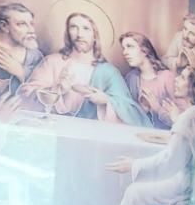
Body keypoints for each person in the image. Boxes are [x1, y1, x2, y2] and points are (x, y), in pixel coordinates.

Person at [20, 11, 148, 125]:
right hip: (52, 130)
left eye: (86, 28)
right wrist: (58, 89)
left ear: (94, 36)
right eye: (74, 27)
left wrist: (106, 101)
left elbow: (132, 112)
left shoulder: (108, 72)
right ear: (68, 33)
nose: (80, 34)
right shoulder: (52, 62)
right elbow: (25, 97)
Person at [117, 31, 177, 128]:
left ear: (145, 51)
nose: (125, 52)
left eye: (130, 46)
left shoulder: (167, 77)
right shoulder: (131, 78)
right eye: (124, 48)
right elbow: (128, 114)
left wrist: (156, 108)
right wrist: (143, 109)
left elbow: (182, 120)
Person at [0, 2, 41, 103]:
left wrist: (20, 72)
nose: (31, 30)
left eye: (31, 24)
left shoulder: (34, 55)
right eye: (22, 24)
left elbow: (40, 90)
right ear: (4, 26)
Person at [167, 12, 195, 76]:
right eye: (185, 29)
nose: (185, 35)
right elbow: (165, 60)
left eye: (192, 33)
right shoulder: (179, 36)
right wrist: (177, 62)